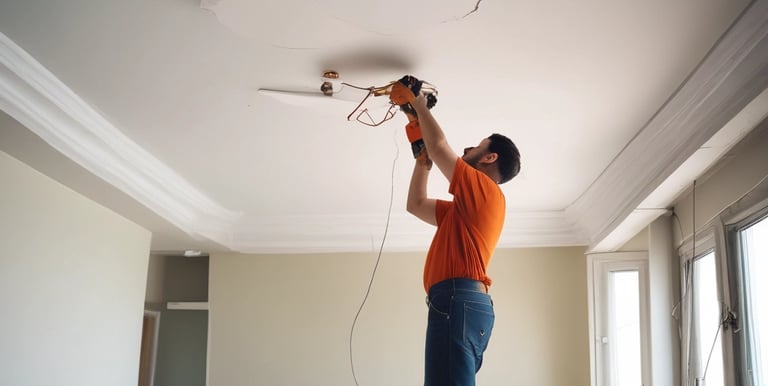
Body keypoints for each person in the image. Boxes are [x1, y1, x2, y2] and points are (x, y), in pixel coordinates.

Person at [405, 92, 521, 386]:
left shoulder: (484, 188)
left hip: (457, 298)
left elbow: (440, 146)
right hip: (460, 300)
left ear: (490, 157)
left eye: (478, 147)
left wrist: (420, 104)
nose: (468, 148)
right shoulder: (464, 210)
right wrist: (423, 163)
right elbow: (416, 205)